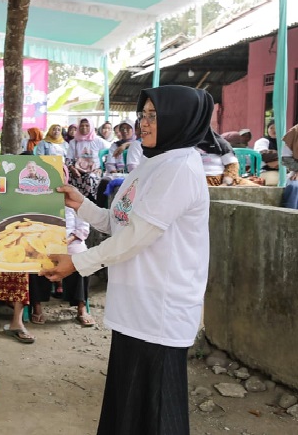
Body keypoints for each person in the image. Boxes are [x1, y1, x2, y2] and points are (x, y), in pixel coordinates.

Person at [41, 85, 213, 435]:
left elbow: (137, 237)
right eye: (142, 115)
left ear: (179, 119)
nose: (144, 123)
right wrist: (82, 205)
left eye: (154, 116)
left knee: (157, 410)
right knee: (128, 405)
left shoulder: (180, 168)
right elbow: (122, 222)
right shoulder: (152, 162)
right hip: (135, 304)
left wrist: (77, 263)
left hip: (161, 309)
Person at [29, 208, 94, 326]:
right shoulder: (38, 200)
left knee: (81, 260)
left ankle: (81, 307)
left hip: (72, 242)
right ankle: (36, 306)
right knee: (35, 261)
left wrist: (67, 241)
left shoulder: (73, 203)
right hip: (43, 243)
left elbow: (83, 227)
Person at [67, 118, 105, 203]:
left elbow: (107, 154)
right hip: (77, 170)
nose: (84, 128)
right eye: (82, 125)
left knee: (91, 178)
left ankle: (90, 202)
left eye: (87, 125)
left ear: (91, 127)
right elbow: (69, 159)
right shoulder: (74, 142)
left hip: (94, 171)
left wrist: (101, 168)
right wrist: (72, 168)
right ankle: (75, 202)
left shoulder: (98, 141)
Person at [253, 120, 280, 185]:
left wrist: (279, 162)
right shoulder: (263, 141)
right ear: (267, 130)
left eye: (277, 128)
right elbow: (264, 155)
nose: (274, 130)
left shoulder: (285, 142)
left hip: (284, 171)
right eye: (271, 128)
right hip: (265, 171)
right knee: (275, 180)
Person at [280, 124, 298, 209]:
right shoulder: (295, 132)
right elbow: (286, 158)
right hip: (296, 172)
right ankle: (290, 217)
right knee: (294, 187)